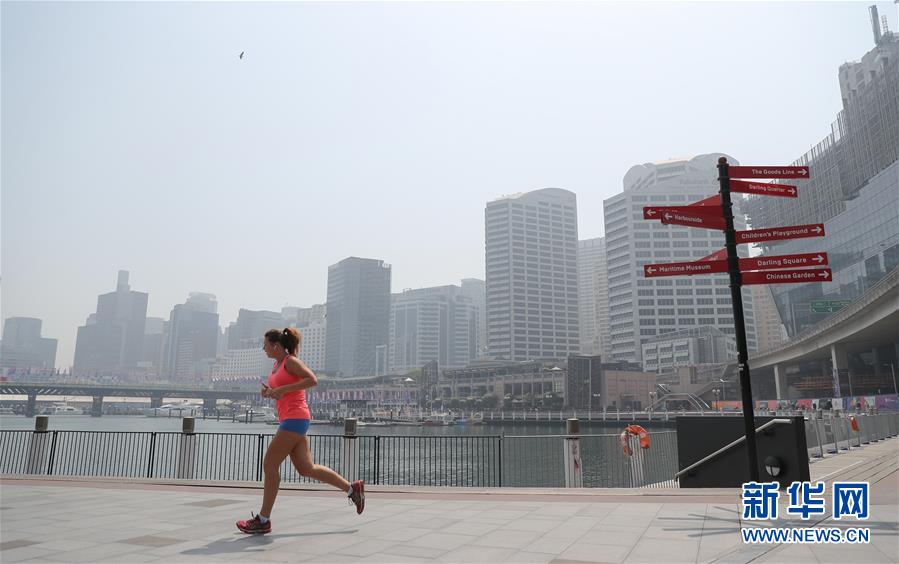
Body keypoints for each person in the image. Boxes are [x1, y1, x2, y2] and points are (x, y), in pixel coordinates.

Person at [237, 328, 364, 534]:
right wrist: (270, 392)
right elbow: (284, 390)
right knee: (306, 468)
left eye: (265, 345)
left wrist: (281, 390)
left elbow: (312, 380)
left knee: (269, 464)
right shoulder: (277, 365)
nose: (263, 348)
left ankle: (263, 519)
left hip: (295, 418)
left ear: (275, 346)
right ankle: (352, 489)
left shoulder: (291, 362)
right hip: (292, 418)